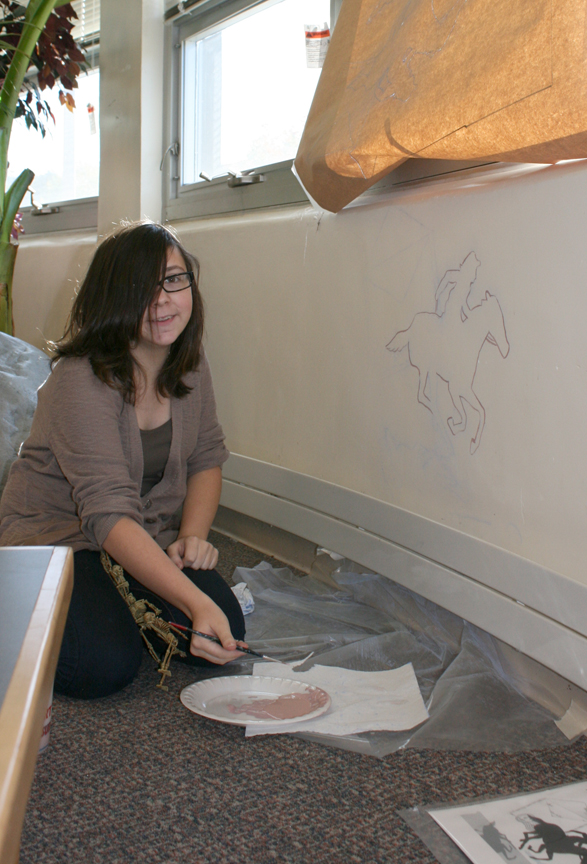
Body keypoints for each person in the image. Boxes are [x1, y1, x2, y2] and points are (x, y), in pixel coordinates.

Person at [0, 221, 247, 698]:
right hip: (60, 539)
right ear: (111, 298)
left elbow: (206, 458)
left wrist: (193, 537)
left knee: (225, 628)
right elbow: (108, 513)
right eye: (141, 288)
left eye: (173, 279)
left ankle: (113, 605)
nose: (162, 300)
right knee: (101, 666)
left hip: (142, 534)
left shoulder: (190, 363)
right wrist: (193, 602)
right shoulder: (79, 379)